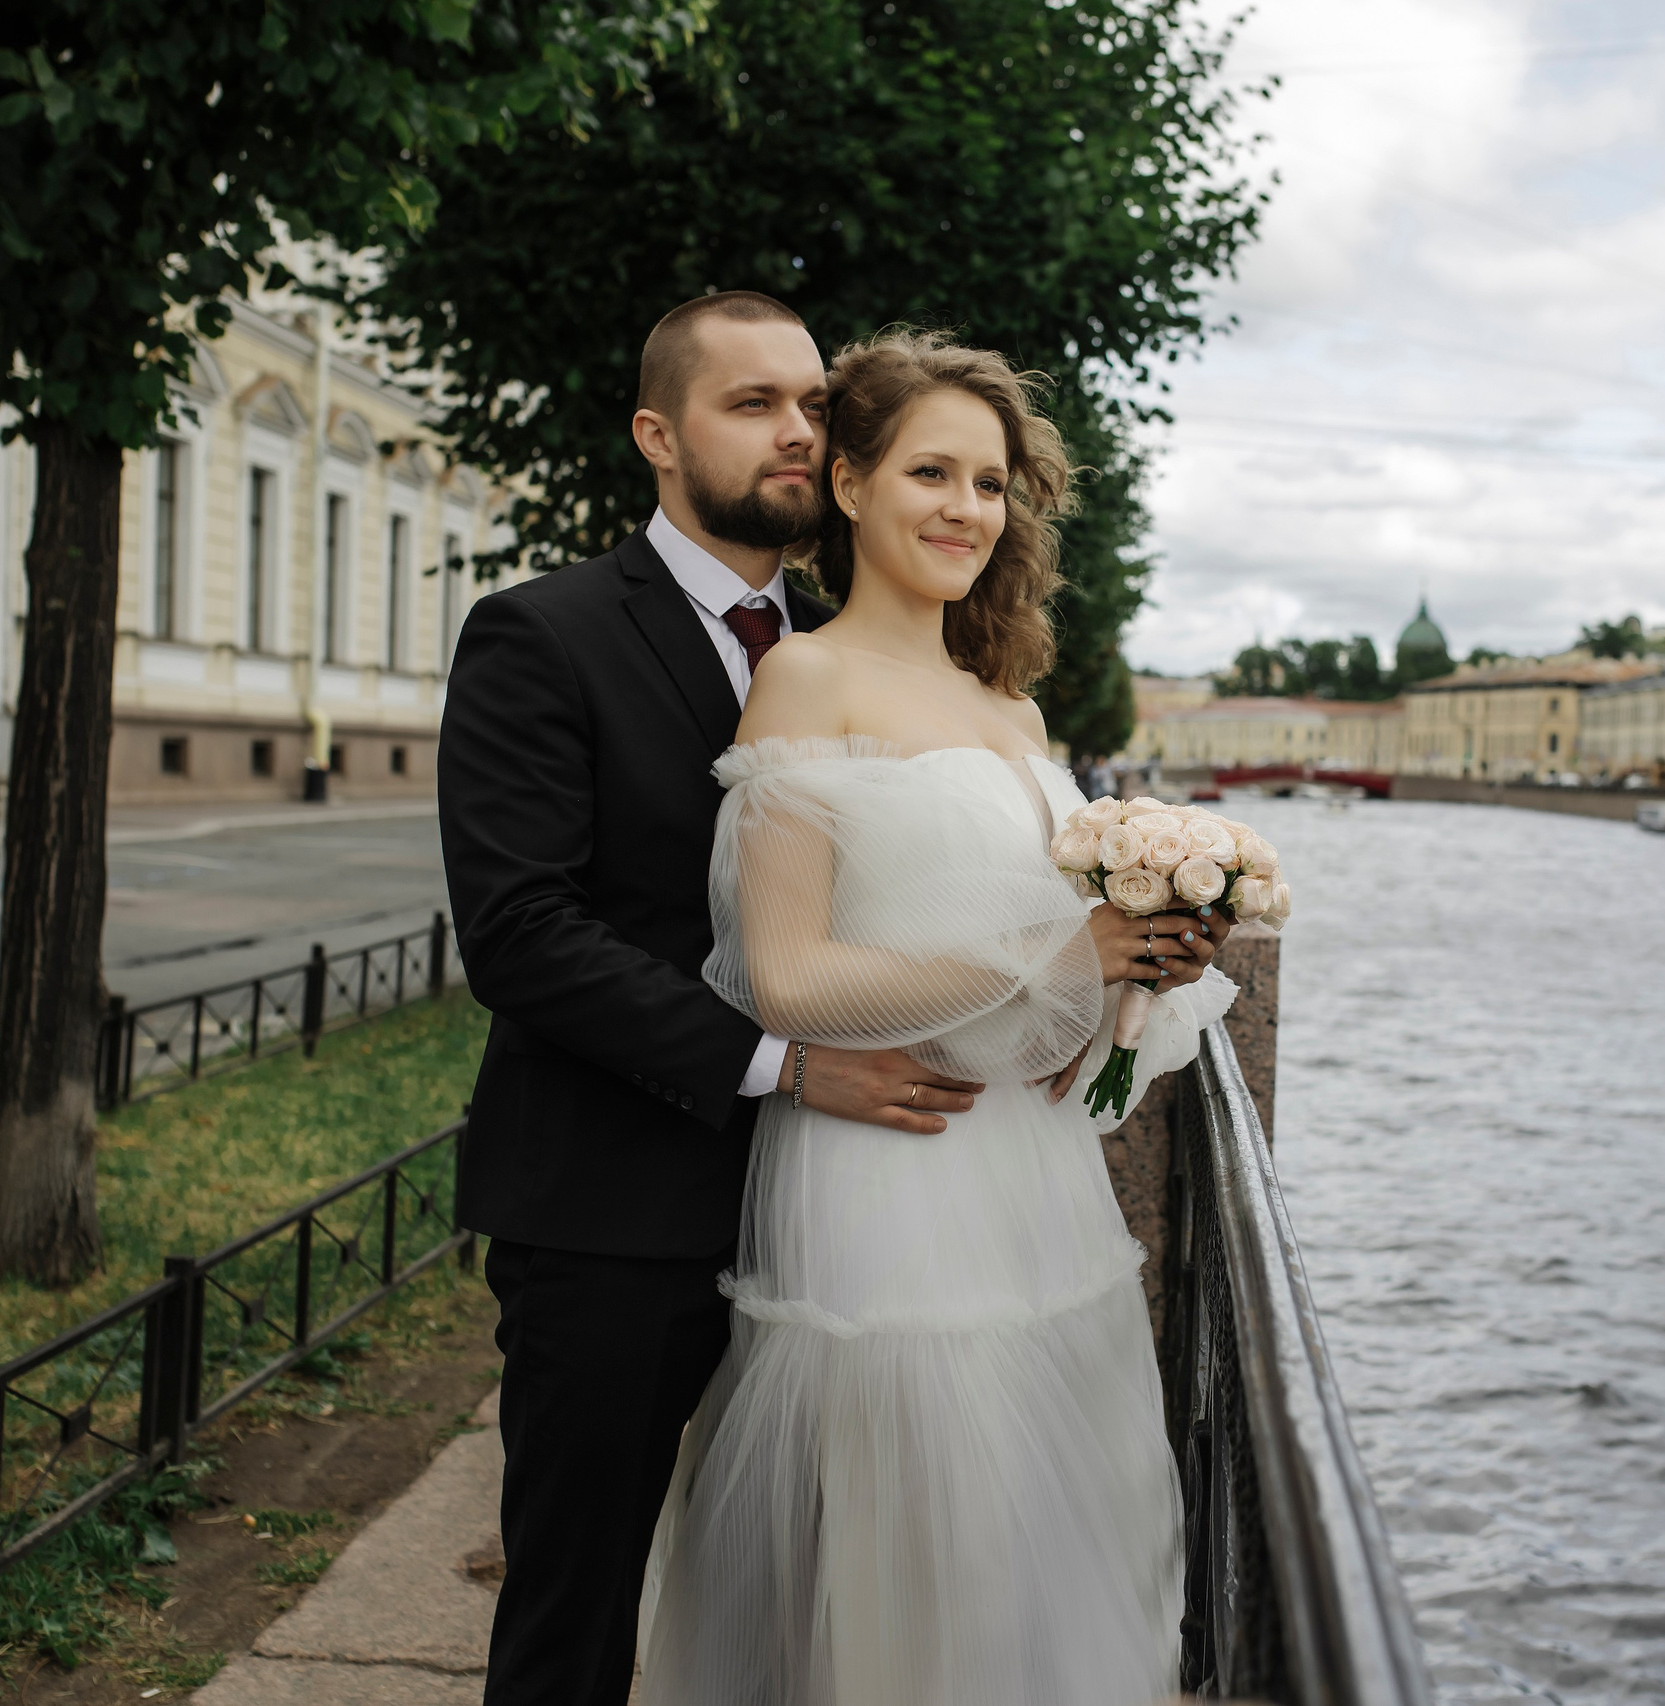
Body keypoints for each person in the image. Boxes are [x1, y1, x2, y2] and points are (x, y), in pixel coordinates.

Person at [438, 297, 1221, 1706]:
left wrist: (1123, 978)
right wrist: (787, 1064)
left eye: (812, 401)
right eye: (754, 404)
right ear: (657, 435)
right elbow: (523, 934)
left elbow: (958, 923)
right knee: (582, 1600)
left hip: (913, 1173)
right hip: (621, 1198)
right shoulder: (546, 634)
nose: (797, 429)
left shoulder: (892, 649)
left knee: (911, 1577)